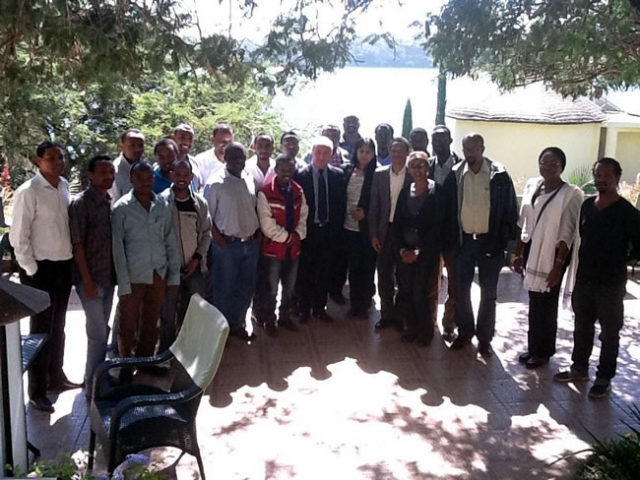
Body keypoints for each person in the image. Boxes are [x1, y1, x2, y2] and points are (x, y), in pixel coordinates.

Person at [554, 157, 640, 398]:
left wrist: (623, 260)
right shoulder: (587, 205)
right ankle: (579, 368)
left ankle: (604, 377)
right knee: (582, 328)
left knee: (610, 332)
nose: (601, 179)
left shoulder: (627, 212)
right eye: (598, 175)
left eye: (606, 175)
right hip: (584, 280)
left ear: (617, 178)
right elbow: (582, 235)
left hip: (611, 284)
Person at [10, 141, 80, 412]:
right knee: (40, 331)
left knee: (58, 327)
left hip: (63, 267)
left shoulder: (62, 185)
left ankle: (56, 378)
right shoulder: (28, 192)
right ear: (39, 162)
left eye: (60, 157)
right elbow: (19, 237)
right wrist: (31, 271)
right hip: (40, 270)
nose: (57, 162)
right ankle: (37, 391)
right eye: (50, 158)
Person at [445, 133, 518, 356]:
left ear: (482, 148)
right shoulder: (457, 173)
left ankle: (485, 338)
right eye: (466, 148)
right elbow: (449, 210)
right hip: (464, 242)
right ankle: (465, 332)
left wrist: (502, 241)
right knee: (461, 290)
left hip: (491, 242)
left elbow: (510, 210)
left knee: (488, 293)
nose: (470, 153)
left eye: (474, 148)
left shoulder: (500, 175)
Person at [513, 147, 583, 369]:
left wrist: (558, 264)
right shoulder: (533, 185)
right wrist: (517, 252)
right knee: (534, 301)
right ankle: (533, 347)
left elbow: (568, 231)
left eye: (554, 163)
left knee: (547, 303)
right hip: (532, 249)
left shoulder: (571, 194)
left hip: (553, 254)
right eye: (544, 161)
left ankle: (544, 352)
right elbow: (524, 221)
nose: (548, 166)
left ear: (562, 166)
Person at [111, 161, 181, 359]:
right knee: (127, 326)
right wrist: (123, 284)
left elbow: (170, 241)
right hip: (133, 277)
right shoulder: (121, 209)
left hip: (157, 274)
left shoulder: (162, 205)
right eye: (140, 178)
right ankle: (125, 367)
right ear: (131, 179)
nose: (145, 182)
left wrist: (173, 276)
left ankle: (145, 364)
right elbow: (118, 249)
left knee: (151, 324)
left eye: (149, 178)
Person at [69, 155, 117, 400]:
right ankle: (94, 387)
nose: (108, 176)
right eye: (102, 172)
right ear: (90, 175)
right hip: (90, 280)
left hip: (108, 278)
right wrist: (86, 280)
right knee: (98, 334)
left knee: (101, 330)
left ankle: (98, 378)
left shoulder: (109, 201)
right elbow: (77, 245)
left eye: (111, 172)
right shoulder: (81, 203)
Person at [206, 142, 261, 340]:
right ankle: (221, 333)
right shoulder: (215, 182)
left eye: (241, 157)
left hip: (251, 243)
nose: (238, 161)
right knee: (224, 290)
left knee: (246, 288)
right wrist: (220, 240)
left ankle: (237, 325)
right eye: (233, 157)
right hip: (227, 245)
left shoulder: (249, 178)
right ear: (224, 158)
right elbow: (207, 217)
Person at [159, 159, 212, 351]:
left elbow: (207, 233)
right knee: (167, 313)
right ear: (171, 174)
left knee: (195, 311)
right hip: (169, 270)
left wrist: (198, 258)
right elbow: (157, 237)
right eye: (178, 174)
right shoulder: (161, 202)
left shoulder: (200, 203)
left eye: (185, 175)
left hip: (195, 267)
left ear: (191, 177)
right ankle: (165, 353)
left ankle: (191, 349)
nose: (182, 179)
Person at [394, 152, 446, 346]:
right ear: (409, 169)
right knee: (406, 290)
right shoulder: (405, 191)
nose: (417, 169)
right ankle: (411, 328)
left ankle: (425, 332)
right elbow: (397, 222)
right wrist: (402, 250)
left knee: (420, 291)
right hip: (404, 251)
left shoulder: (437, 192)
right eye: (413, 166)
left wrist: (418, 251)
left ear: (428, 168)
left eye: (421, 165)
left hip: (426, 253)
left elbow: (438, 226)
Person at [254, 154, 309, 335]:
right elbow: (266, 224)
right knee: (271, 288)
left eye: (290, 170)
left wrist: (297, 236)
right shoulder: (265, 192)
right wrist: (287, 237)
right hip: (273, 250)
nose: (286, 173)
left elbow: (303, 216)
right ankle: (270, 320)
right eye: (283, 170)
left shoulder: (298, 190)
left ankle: (284, 317)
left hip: (293, 250)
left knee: (290, 287)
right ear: (276, 170)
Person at [294, 136, 346, 323]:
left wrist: (337, 232)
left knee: (324, 271)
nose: (321, 156)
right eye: (318, 152)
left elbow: (340, 206)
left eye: (326, 153)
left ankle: (319, 307)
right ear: (312, 153)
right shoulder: (300, 175)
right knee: (305, 271)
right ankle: (303, 309)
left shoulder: (338, 176)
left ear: (331, 155)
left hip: (329, 231)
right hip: (307, 231)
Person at [369, 137, 413, 330]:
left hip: (404, 233)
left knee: (404, 277)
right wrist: (373, 234)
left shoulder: (413, 175)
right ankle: (386, 315)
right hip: (384, 230)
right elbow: (374, 208)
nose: (396, 154)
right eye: (393, 150)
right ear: (389, 151)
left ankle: (400, 316)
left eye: (400, 150)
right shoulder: (379, 174)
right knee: (384, 276)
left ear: (407, 152)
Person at [428, 125, 460, 341]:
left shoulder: (461, 167)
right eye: (434, 140)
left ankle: (449, 322)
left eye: (442, 139)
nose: (438, 144)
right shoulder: (426, 165)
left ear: (450, 141)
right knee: (430, 281)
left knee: (455, 282)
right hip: (430, 234)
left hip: (452, 234)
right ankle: (430, 322)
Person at [342, 138, 377, 318]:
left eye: (368, 151)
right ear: (356, 152)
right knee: (354, 268)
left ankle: (364, 305)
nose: (364, 155)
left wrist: (366, 213)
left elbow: (379, 202)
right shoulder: (347, 170)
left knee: (367, 269)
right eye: (361, 151)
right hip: (348, 229)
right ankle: (354, 304)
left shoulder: (377, 174)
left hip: (367, 230)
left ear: (373, 154)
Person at [108, 129, 146, 206]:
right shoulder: (114, 170)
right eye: (132, 145)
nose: (137, 149)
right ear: (122, 146)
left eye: (140, 145)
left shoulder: (146, 168)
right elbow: (113, 203)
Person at [193, 123, 233, 190]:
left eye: (229, 142)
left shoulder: (236, 161)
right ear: (212, 140)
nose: (226, 145)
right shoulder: (201, 160)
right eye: (222, 141)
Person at [171, 123, 202, 191]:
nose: (186, 141)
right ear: (173, 138)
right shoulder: (166, 163)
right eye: (182, 137)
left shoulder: (195, 163)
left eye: (190, 138)